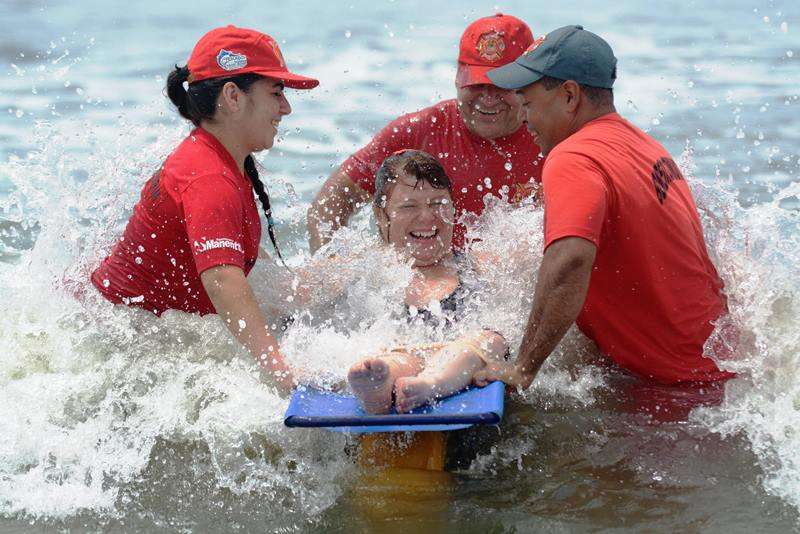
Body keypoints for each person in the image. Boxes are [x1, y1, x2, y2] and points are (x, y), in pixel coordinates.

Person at [474, 25, 733, 389]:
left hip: (670, 388)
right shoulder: (648, 148)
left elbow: (570, 260)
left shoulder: (574, 156)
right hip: (719, 371)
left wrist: (523, 367)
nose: (523, 117)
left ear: (569, 96)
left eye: (528, 103)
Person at [90, 25, 318, 392]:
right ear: (233, 96)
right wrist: (286, 378)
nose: (286, 108)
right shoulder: (208, 176)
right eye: (277, 93)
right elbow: (223, 281)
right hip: (111, 344)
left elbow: (246, 274)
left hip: (140, 330)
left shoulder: (225, 161)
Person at [307, 13, 543, 252]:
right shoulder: (416, 132)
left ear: (530, 83)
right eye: (477, 84)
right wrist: (332, 274)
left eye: (501, 85)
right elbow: (328, 205)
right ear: (457, 78)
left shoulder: (555, 137)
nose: (488, 99)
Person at [342, 150, 509, 414]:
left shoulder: (480, 265)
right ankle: (377, 388)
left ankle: (429, 384)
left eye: (438, 204)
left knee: (487, 340)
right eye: (409, 206)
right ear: (381, 215)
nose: (427, 217)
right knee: (391, 361)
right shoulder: (362, 272)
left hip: (460, 362)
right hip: (403, 355)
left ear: (454, 208)